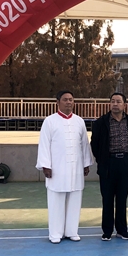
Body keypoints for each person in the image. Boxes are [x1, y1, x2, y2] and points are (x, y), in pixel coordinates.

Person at [36, 90, 93, 244]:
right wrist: (45, 165)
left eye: (71, 99)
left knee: (75, 198)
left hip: (76, 168)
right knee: (56, 200)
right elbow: (44, 144)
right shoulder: (49, 121)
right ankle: (55, 233)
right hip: (57, 168)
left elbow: (84, 144)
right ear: (58, 102)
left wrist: (86, 163)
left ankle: (71, 231)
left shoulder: (79, 121)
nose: (68, 102)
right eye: (65, 99)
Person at [90, 92, 128, 241]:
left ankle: (122, 230)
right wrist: (102, 160)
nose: (115, 104)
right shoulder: (101, 122)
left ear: (124, 105)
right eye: (113, 101)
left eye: (118, 101)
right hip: (108, 164)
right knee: (107, 199)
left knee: (122, 199)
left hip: (125, 163)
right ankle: (107, 231)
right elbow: (94, 144)